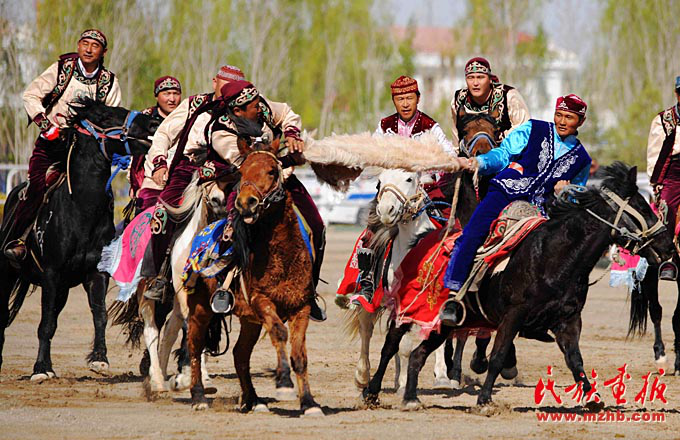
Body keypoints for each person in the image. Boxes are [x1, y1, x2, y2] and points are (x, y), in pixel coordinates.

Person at [175, 80, 327, 320]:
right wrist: (292, 160)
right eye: (254, 106)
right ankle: (224, 288)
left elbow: (287, 113)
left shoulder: (261, 107)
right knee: (231, 233)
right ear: (238, 111)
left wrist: (292, 134)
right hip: (242, 185)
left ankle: (309, 292)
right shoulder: (221, 131)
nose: (260, 108)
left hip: (280, 181)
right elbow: (249, 165)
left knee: (317, 226)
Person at [439, 94, 592, 326]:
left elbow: (575, 199)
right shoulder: (533, 129)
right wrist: (480, 162)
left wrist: (565, 192)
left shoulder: (582, 159)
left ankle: (541, 310)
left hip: (539, 210)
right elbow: (503, 154)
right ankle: (453, 295)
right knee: (473, 233)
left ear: (580, 121)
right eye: (559, 115)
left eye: (569, 117)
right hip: (505, 191)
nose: (562, 121)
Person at [4, 29, 121, 262]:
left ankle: (105, 246)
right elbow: (30, 95)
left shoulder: (109, 82)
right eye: (85, 43)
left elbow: (112, 118)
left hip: (87, 152)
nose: (89, 49)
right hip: (52, 144)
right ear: (78, 45)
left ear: (104, 52)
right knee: (37, 186)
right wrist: (46, 125)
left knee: (103, 193)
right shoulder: (61, 69)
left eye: (95, 46)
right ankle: (19, 239)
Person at [347, 75, 456, 306]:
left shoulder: (430, 126)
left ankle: (451, 284)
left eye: (409, 98)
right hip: (392, 189)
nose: (405, 103)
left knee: (451, 226)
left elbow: (448, 156)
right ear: (394, 101)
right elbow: (373, 153)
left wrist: (430, 168)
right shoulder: (385, 126)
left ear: (418, 98)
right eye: (400, 99)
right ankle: (366, 283)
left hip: (423, 188)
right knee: (370, 232)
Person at [136, 65, 244, 214]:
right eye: (225, 87)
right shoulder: (194, 104)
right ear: (215, 83)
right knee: (160, 211)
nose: (229, 92)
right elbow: (164, 134)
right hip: (184, 168)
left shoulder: (242, 111)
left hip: (225, 173)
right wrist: (159, 163)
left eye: (234, 90)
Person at [451, 57, 530, 154]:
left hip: (508, 154)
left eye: (480, 77)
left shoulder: (509, 96)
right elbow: (456, 136)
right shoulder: (459, 99)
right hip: (469, 157)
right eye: (470, 78)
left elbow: (524, 129)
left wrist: (498, 137)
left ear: (489, 79)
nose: (475, 83)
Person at [128, 76, 182, 203]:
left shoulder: (186, 117)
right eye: (166, 94)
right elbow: (135, 155)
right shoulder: (144, 119)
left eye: (176, 93)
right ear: (157, 96)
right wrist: (135, 184)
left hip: (179, 181)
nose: (172, 99)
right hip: (150, 181)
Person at [646, 75, 680, 280]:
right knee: (667, 208)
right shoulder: (663, 120)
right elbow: (655, 154)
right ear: (677, 94)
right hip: (674, 173)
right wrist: (657, 183)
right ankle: (668, 258)